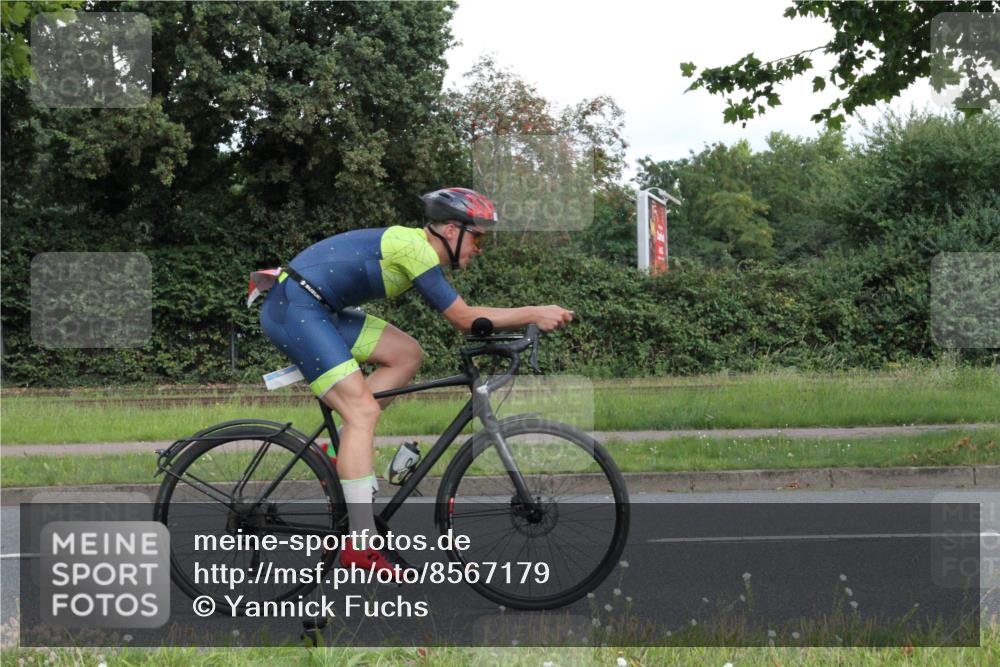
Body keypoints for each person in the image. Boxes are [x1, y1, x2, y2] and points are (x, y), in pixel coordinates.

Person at [258, 187, 574, 575]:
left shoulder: (417, 250)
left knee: (406, 354)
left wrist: (515, 326)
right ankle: (359, 546)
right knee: (363, 414)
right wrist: (534, 312)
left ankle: (341, 445)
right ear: (452, 230)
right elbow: (463, 318)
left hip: (318, 308)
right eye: (477, 236)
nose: (480, 247)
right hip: (297, 309)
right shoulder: (417, 250)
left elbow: (470, 322)